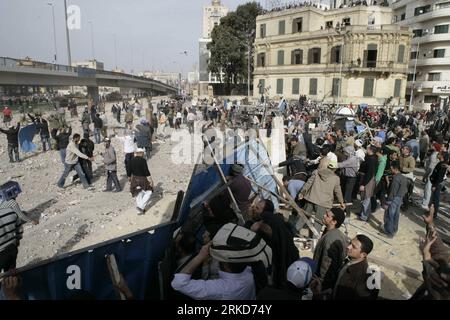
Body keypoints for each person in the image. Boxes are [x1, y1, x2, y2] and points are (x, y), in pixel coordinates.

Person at [171, 242, 256, 300]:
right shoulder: (249, 272)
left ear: (227, 266)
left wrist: (200, 256)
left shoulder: (221, 288)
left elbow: (178, 283)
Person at [247, 199, 299, 289]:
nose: (254, 209)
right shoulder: (273, 223)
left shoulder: (269, 225)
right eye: (254, 207)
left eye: (257, 208)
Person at [298, 158, 345, 235]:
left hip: (311, 199)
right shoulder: (336, 178)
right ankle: (314, 239)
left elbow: (308, 183)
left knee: (302, 217)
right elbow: (338, 191)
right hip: (323, 203)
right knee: (318, 222)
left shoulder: (316, 172)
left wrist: (302, 192)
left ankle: (293, 231)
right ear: (335, 169)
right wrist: (341, 202)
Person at [333, 235, 379, 300]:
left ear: (363, 254)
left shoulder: (364, 279)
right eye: (350, 243)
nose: (348, 247)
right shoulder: (349, 260)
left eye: (353, 247)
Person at [313, 207, 348, 291]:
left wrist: (320, 283)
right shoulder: (337, 234)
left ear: (334, 222)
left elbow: (326, 266)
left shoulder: (330, 239)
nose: (324, 216)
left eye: (327, 216)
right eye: (325, 213)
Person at [0, 197, 35, 272]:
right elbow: (19, 230)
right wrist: (17, 240)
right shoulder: (11, 212)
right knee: (11, 275)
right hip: (12, 249)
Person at [382, 161, 408, 238]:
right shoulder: (404, 178)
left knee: (390, 215)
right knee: (396, 215)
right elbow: (405, 190)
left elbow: (392, 191)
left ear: (394, 168)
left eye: (391, 168)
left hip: (393, 199)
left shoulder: (395, 178)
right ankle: (394, 230)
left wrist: (387, 202)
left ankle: (389, 232)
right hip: (400, 198)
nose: (391, 170)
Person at [129, 148, 154, 214]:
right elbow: (146, 171)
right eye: (143, 153)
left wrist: (129, 177)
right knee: (149, 191)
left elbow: (129, 170)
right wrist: (151, 181)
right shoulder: (143, 160)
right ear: (141, 153)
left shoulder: (132, 160)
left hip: (134, 178)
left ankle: (138, 210)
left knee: (138, 192)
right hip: (142, 179)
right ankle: (141, 207)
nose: (143, 154)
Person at [358, 145, 378, 221]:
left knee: (366, 198)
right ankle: (362, 213)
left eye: (367, 149)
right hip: (367, 179)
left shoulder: (372, 159)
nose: (366, 150)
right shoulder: (371, 157)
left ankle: (364, 216)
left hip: (368, 180)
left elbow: (369, 173)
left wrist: (363, 184)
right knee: (364, 198)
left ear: (370, 150)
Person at [429, 152, 449, 217]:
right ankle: (431, 212)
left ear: (442, 156)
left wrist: (435, 185)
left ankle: (434, 213)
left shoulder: (443, 164)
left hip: (437, 184)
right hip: (436, 183)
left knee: (435, 198)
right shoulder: (441, 163)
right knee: (433, 198)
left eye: (440, 154)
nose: (438, 155)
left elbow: (440, 177)